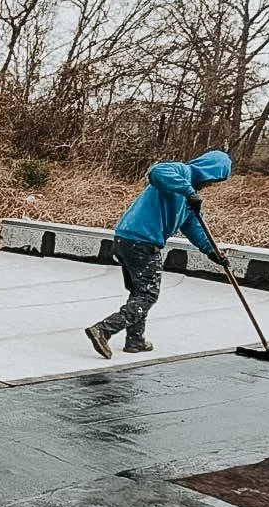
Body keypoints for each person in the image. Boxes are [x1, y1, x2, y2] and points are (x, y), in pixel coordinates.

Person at [86, 150, 233, 359]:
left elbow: (195, 228)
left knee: (139, 291)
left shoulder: (191, 202)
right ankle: (104, 329)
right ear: (207, 171)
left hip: (126, 239)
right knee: (148, 295)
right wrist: (188, 190)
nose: (211, 185)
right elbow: (156, 172)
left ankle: (135, 340)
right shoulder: (181, 172)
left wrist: (212, 251)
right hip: (142, 241)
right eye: (214, 179)